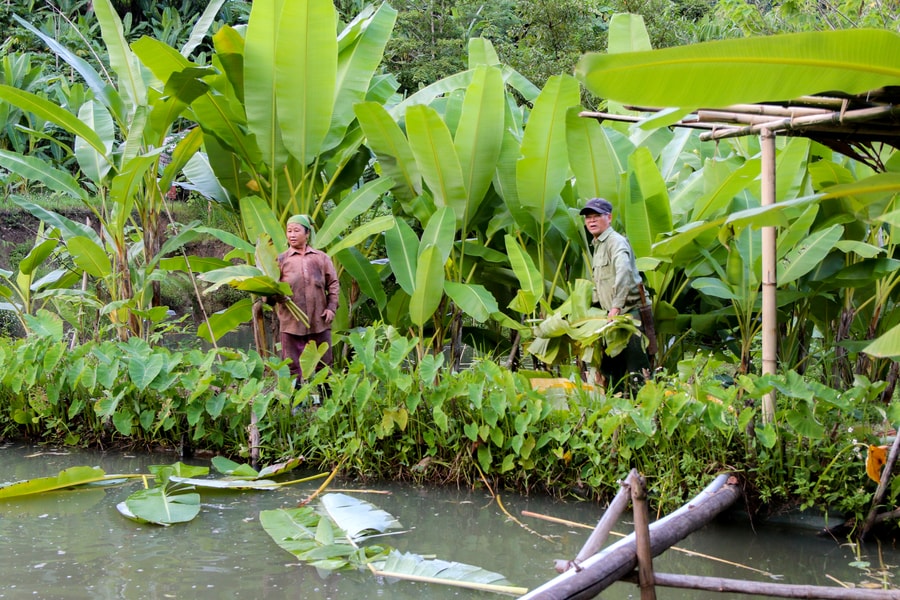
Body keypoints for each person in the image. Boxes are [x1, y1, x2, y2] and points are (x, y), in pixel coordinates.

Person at [579, 198, 650, 392]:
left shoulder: (615, 242)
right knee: (612, 370)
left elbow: (624, 273)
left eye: (596, 216)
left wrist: (616, 307)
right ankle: (617, 414)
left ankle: (647, 414)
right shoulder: (599, 244)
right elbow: (602, 283)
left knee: (637, 370)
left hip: (629, 316)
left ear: (608, 217)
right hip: (611, 318)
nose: (591, 221)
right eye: (588, 217)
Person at [273, 214, 340, 385]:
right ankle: (296, 404)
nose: (292, 235)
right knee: (292, 366)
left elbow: (332, 283)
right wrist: (275, 295)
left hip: (319, 320)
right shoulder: (281, 260)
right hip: (291, 322)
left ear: (307, 233)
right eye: (289, 231)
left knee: (323, 363)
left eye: (296, 230)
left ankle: (327, 400)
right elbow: (270, 288)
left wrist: (331, 307)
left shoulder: (321, 258)